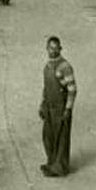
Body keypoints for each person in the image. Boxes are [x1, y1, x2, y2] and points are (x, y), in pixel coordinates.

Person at [39, 36, 77, 177]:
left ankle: (59, 168)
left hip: (61, 108)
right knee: (48, 136)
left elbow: (72, 89)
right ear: (47, 48)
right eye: (50, 48)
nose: (53, 51)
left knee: (61, 137)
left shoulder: (65, 66)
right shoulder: (47, 66)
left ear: (60, 49)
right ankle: (51, 162)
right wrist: (42, 104)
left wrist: (68, 109)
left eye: (56, 48)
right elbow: (46, 88)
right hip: (49, 106)